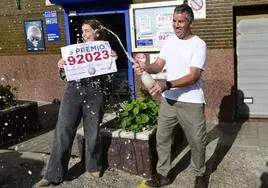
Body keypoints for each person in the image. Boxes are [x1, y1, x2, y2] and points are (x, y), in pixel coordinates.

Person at [35, 19, 117, 187]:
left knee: (92, 131)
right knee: (63, 130)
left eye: (87, 31)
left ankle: (93, 165)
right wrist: (62, 66)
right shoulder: (75, 50)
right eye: (82, 31)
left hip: (96, 93)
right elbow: (65, 77)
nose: (83, 34)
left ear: (97, 32)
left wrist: (112, 60)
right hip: (73, 92)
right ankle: (53, 174)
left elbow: (109, 79)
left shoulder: (106, 50)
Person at [133, 4, 207, 188]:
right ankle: (163, 174)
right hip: (169, 100)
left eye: (180, 21)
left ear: (189, 22)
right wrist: (145, 67)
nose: (176, 25)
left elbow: (193, 76)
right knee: (162, 139)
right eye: (174, 21)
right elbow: (158, 66)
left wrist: (167, 84)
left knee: (197, 141)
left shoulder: (199, 44)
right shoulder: (169, 41)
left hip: (191, 102)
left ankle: (200, 174)